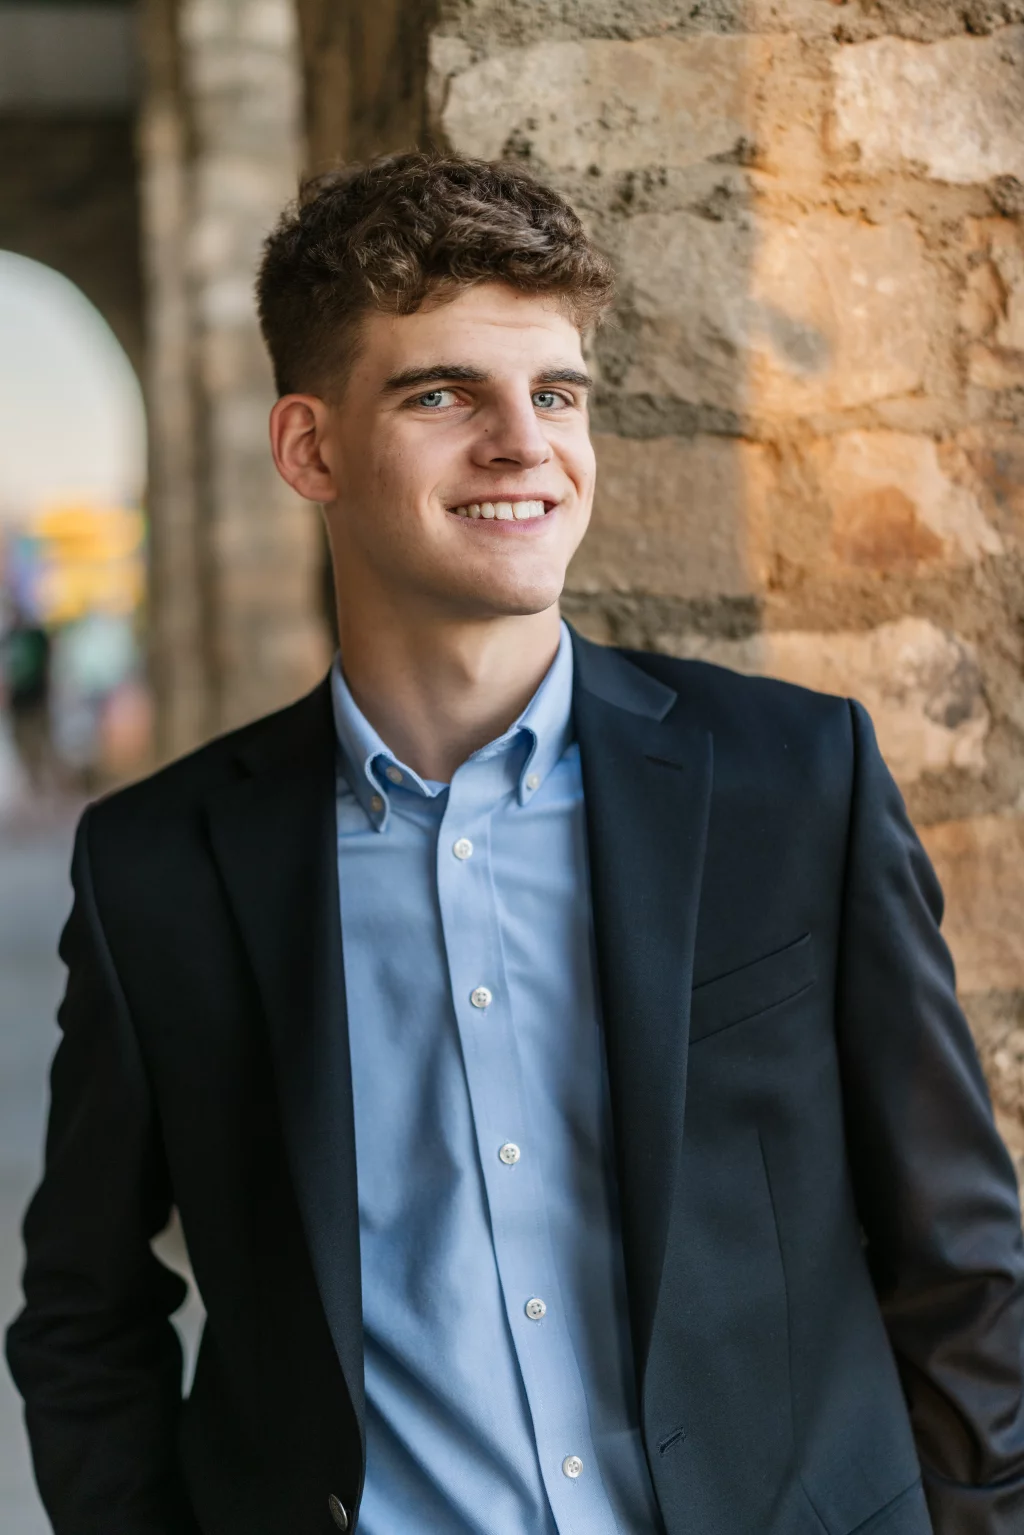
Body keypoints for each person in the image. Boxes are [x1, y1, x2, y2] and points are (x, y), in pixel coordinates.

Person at [7, 153, 1024, 1535]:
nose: (522, 443)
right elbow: (84, 1308)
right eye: (442, 394)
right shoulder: (160, 869)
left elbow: (960, 1259)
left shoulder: (793, 781)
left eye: (555, 392)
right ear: (309, 448)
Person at [0, 599, 52, 794]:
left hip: (36, 697)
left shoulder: (35, 636)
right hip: (19, 701)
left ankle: (41, 779)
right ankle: (34, 780)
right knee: (22, 740)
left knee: (39, 739)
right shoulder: (9, 639)